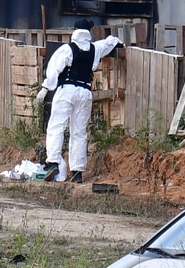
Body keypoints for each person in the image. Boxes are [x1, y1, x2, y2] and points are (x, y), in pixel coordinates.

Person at [38, 18, 124, 184]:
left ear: (75, 31)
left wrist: (45, 88)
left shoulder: (67, 49)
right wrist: (120, 44)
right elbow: (110, 42)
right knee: (79, 131)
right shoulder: (95, 48)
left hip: (66, 90)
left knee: (57, 125)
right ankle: (77, 172)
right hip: (85, 92)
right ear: (89, 32)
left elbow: (54, 69)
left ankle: (53, 162)